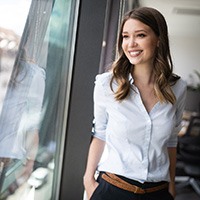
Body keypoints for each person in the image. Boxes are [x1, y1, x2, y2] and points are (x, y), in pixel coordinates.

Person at [83, 7, 187, 200]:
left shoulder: (178, 88)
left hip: (158, 193)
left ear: (158, 39)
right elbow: (100, 133)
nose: (131, 44)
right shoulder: (107, 84)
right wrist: (89, 182)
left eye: (140, 35)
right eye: (125, 36)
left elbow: (172, 141)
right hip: (112, 190)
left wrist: (171, 187)